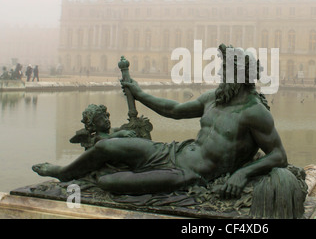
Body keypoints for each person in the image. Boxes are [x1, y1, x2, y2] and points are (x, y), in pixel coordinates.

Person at [32, 44, 287, 199]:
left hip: (188, 174)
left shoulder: (254, 111)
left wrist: (242, 174)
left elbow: (277, 155)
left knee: (108, 182)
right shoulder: (215, 99)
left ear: (239, 75)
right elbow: (174, 109)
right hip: (172, 152)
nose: (219, 74)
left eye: (224, 71)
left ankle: (128, 176)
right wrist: (140, 93)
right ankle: (64, 173)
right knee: (104, 147)